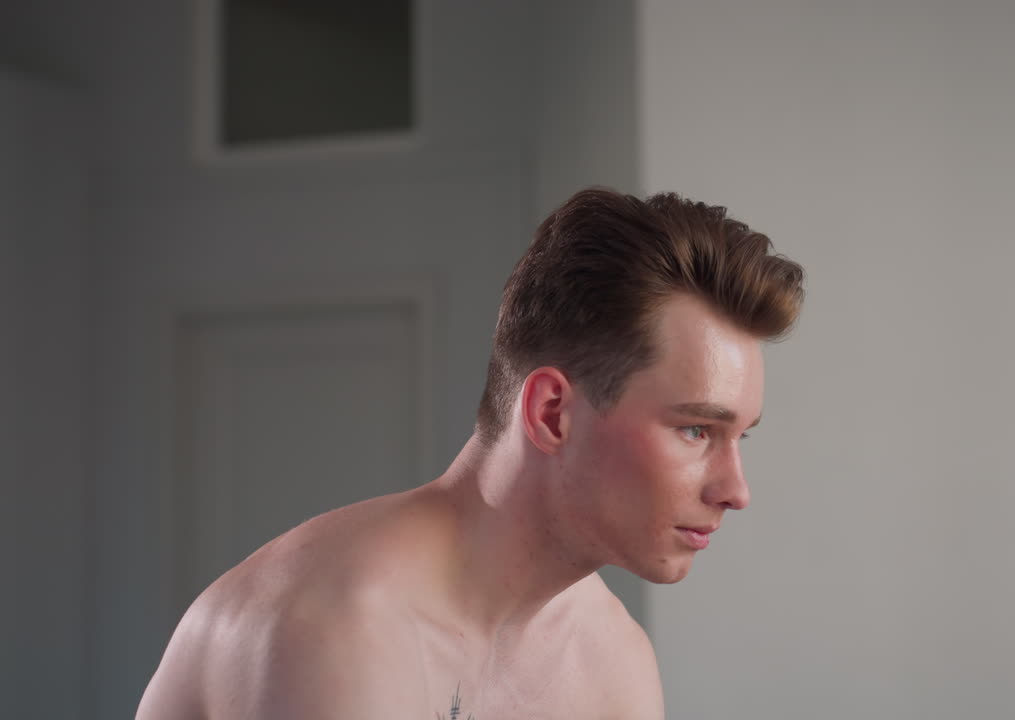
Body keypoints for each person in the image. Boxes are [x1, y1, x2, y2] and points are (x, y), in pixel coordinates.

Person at [136, 188, 805, 719]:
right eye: (696, 431)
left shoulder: (614, 661)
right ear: (552, 413)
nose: (735, 489)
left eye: (739, 437)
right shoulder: (336, 630)